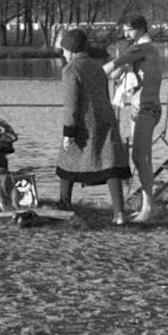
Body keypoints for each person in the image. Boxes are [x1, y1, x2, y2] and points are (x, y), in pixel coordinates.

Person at [54, 27, 132, 224]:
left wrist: (68, 132)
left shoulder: (71, 69)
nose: (63, 54)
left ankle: (64, 203)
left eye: (64, 50)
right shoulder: (97, 66)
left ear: (71, 49)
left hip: (85, 123)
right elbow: (104, 95)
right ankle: (119, 213)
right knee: (110, 163)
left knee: (67, 157)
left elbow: (71, 104)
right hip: (105, 119)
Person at [103, 14, 164, 222]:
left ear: (138, 29)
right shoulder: (139, 50)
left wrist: (91, 73)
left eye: (128, 30)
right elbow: (116, 72)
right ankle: (146, 206)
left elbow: (113, 66)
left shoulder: (145, 48)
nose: (125, 34)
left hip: (148, 107)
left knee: (141, 157)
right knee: (138, 157)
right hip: (138, 108)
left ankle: (148, 209)